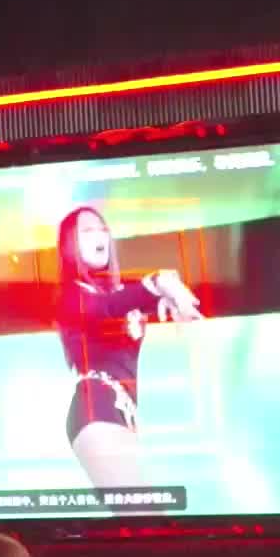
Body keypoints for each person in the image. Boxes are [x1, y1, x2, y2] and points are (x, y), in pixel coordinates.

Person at [56, 206, 201, 490]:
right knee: (142, 511)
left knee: (146, 510)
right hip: (96, 408)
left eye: (103, 229)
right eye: (87, 231)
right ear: (69, 245)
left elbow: (151, 292)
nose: (99, 235)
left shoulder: (119, 290)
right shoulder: (71, 296)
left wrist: (172, 294)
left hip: (122, 412)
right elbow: (110, 306)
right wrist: (158, 283)